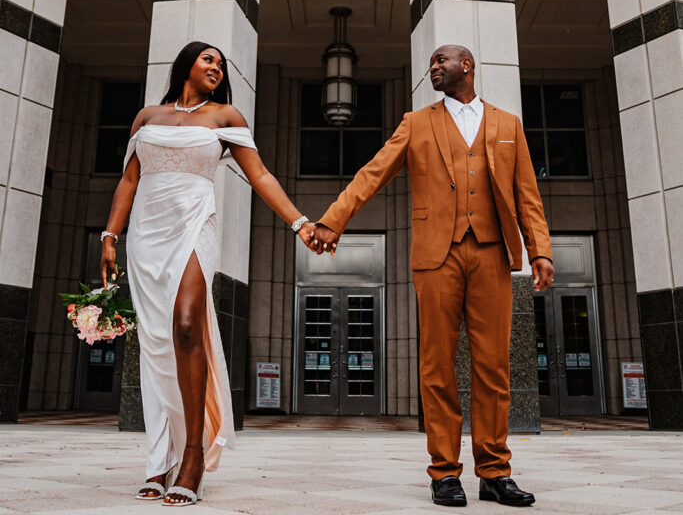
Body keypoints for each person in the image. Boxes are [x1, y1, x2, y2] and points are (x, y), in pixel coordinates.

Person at [311, 44, 554, 508]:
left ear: (466, 65)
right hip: (436, 256)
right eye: (431, 64)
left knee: (494, 368)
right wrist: (332, 220)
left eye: (441, 61)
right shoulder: (416, 122)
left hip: (492, 254)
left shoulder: (508, 125)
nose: (433, 68)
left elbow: (528, 194)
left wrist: (539, 250)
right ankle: (444, 474)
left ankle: (494, 473)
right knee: (437, 367)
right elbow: (373, 172)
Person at [100, 41, 317, 507]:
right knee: (157, 343)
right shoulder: (147, 117)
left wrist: (299, 223)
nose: (217, 67)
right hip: (146, 233)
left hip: (195, 224)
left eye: (221, 63)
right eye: (209, 59)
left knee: (185, 325)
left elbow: (260, 176)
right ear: (187, 65)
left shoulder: (226, 118)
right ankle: (160, 458)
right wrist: (110, 236)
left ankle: (194, 455)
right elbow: (129, 180)